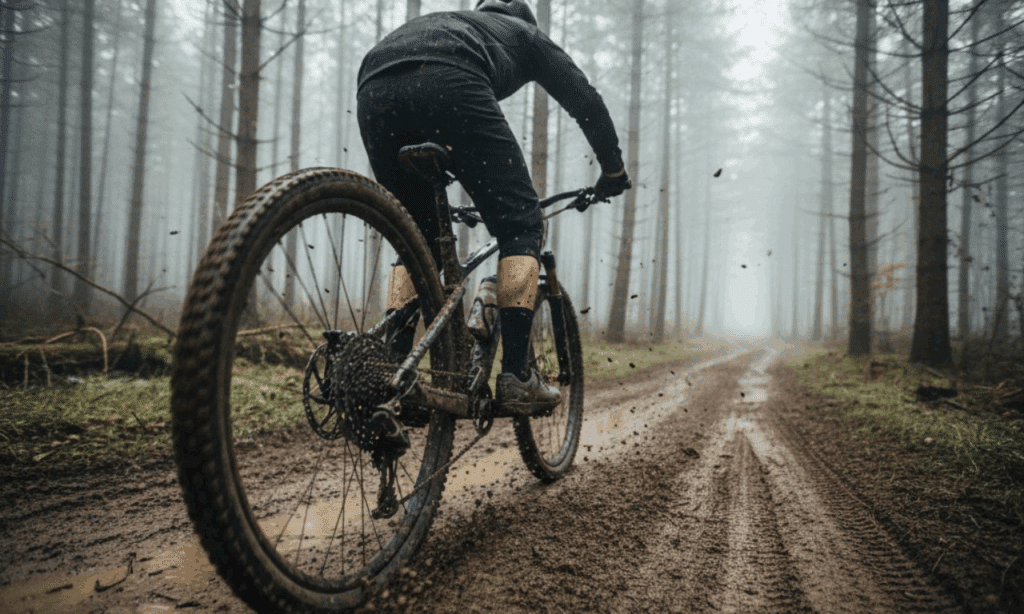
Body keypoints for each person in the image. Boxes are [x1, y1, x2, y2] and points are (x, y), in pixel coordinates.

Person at [357, 0, 630, 415]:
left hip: (372, 85)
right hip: (448, 79)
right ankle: (517, 377)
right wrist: (612, 170)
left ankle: (395, 371)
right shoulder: (526, 34)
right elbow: (584, 100)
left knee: (419, 241)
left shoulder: (454, 22)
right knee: (521, 226)